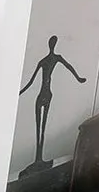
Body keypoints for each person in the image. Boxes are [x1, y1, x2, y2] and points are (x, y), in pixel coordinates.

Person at [17, 36, 87, 168]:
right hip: (42, 95)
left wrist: (79, 78)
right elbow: (31, 81)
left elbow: (69, 67)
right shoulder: (44, 61)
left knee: (42, 126)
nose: (52, 45)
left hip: (47, 94)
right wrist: (19, 92)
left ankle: (40, 159)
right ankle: (38, 159)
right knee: (39, 126)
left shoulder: (55, 58)